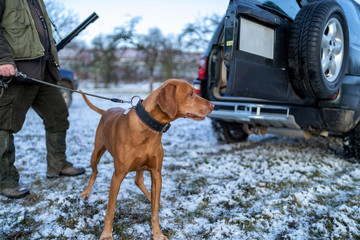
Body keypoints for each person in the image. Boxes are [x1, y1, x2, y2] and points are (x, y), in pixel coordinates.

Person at [0, 0, 85, 199]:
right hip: (17, 72)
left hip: (44, 70)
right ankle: (6, 181)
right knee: (4, 124)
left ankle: (57, 164)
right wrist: (3, 59)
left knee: (58, 115)